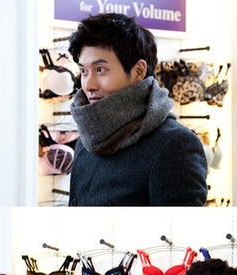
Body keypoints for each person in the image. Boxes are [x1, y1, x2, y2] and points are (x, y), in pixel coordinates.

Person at [66, 13, 208, 206]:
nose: (88, 85)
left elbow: (176, 225)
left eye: (100, 69)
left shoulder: (174, 145)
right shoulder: (88, 139)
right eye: (83, 71)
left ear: (139, 71)